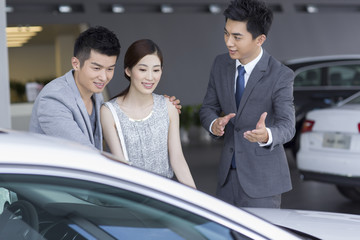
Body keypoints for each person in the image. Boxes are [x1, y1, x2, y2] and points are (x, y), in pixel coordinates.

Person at [199, 0, 295, 208]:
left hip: (263, 181)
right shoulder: (220, 64)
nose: (228, 42)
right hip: (226, 178)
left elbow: (287, 125)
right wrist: (214, 124)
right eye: (226, 33)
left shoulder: (280, 75)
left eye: (237, 37)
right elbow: (208, 108)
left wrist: (267, 135)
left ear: (259, 39)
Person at [29, 26, 180, 151]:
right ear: (76, 64)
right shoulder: (53, 99)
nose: (103, 77)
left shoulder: (96, 95)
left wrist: (159, 106)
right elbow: (84, 151)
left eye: (110, 69)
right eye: (96, 68)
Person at [100, 39, 196, 188]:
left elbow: (178, 160)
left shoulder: (168, 107)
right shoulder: (109, 112)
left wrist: (195, 198)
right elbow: (120, 166)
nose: (150, 77)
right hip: (130, 195)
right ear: (128, 70)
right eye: (143, 69)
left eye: (156, 70)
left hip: (165, 194)